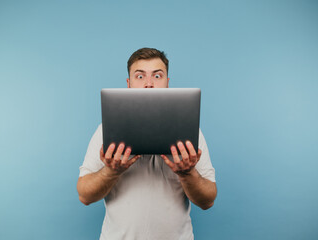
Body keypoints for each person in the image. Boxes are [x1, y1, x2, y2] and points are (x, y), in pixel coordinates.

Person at [77, 48, 217, 240]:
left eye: (157, 76)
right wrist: (111, 171)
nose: (149, 84)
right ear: (129, 84)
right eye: (140, 76)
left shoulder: (190, 133)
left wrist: (187, 173)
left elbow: (208, 200)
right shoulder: (105, 131)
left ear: (167, 83)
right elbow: (84, 195)